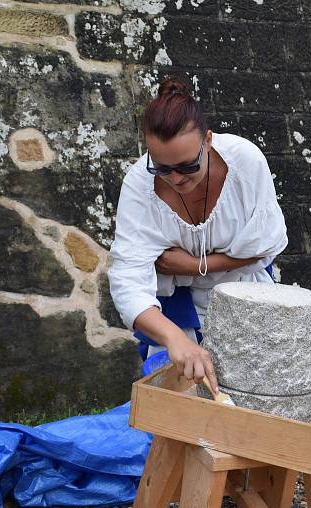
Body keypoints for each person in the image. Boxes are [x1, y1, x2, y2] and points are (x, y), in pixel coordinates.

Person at [107, 76, 288, 394]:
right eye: (162, 168)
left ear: (207, 140)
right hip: (177, 310)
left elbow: (266, 245)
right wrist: (174, 338)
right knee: (182, 409)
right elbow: (128, 283)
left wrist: (191, 265)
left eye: (187, 166)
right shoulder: (138, 186)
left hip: (245, 296)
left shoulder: (244, 162)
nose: (175, 179)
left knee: (255, 398)